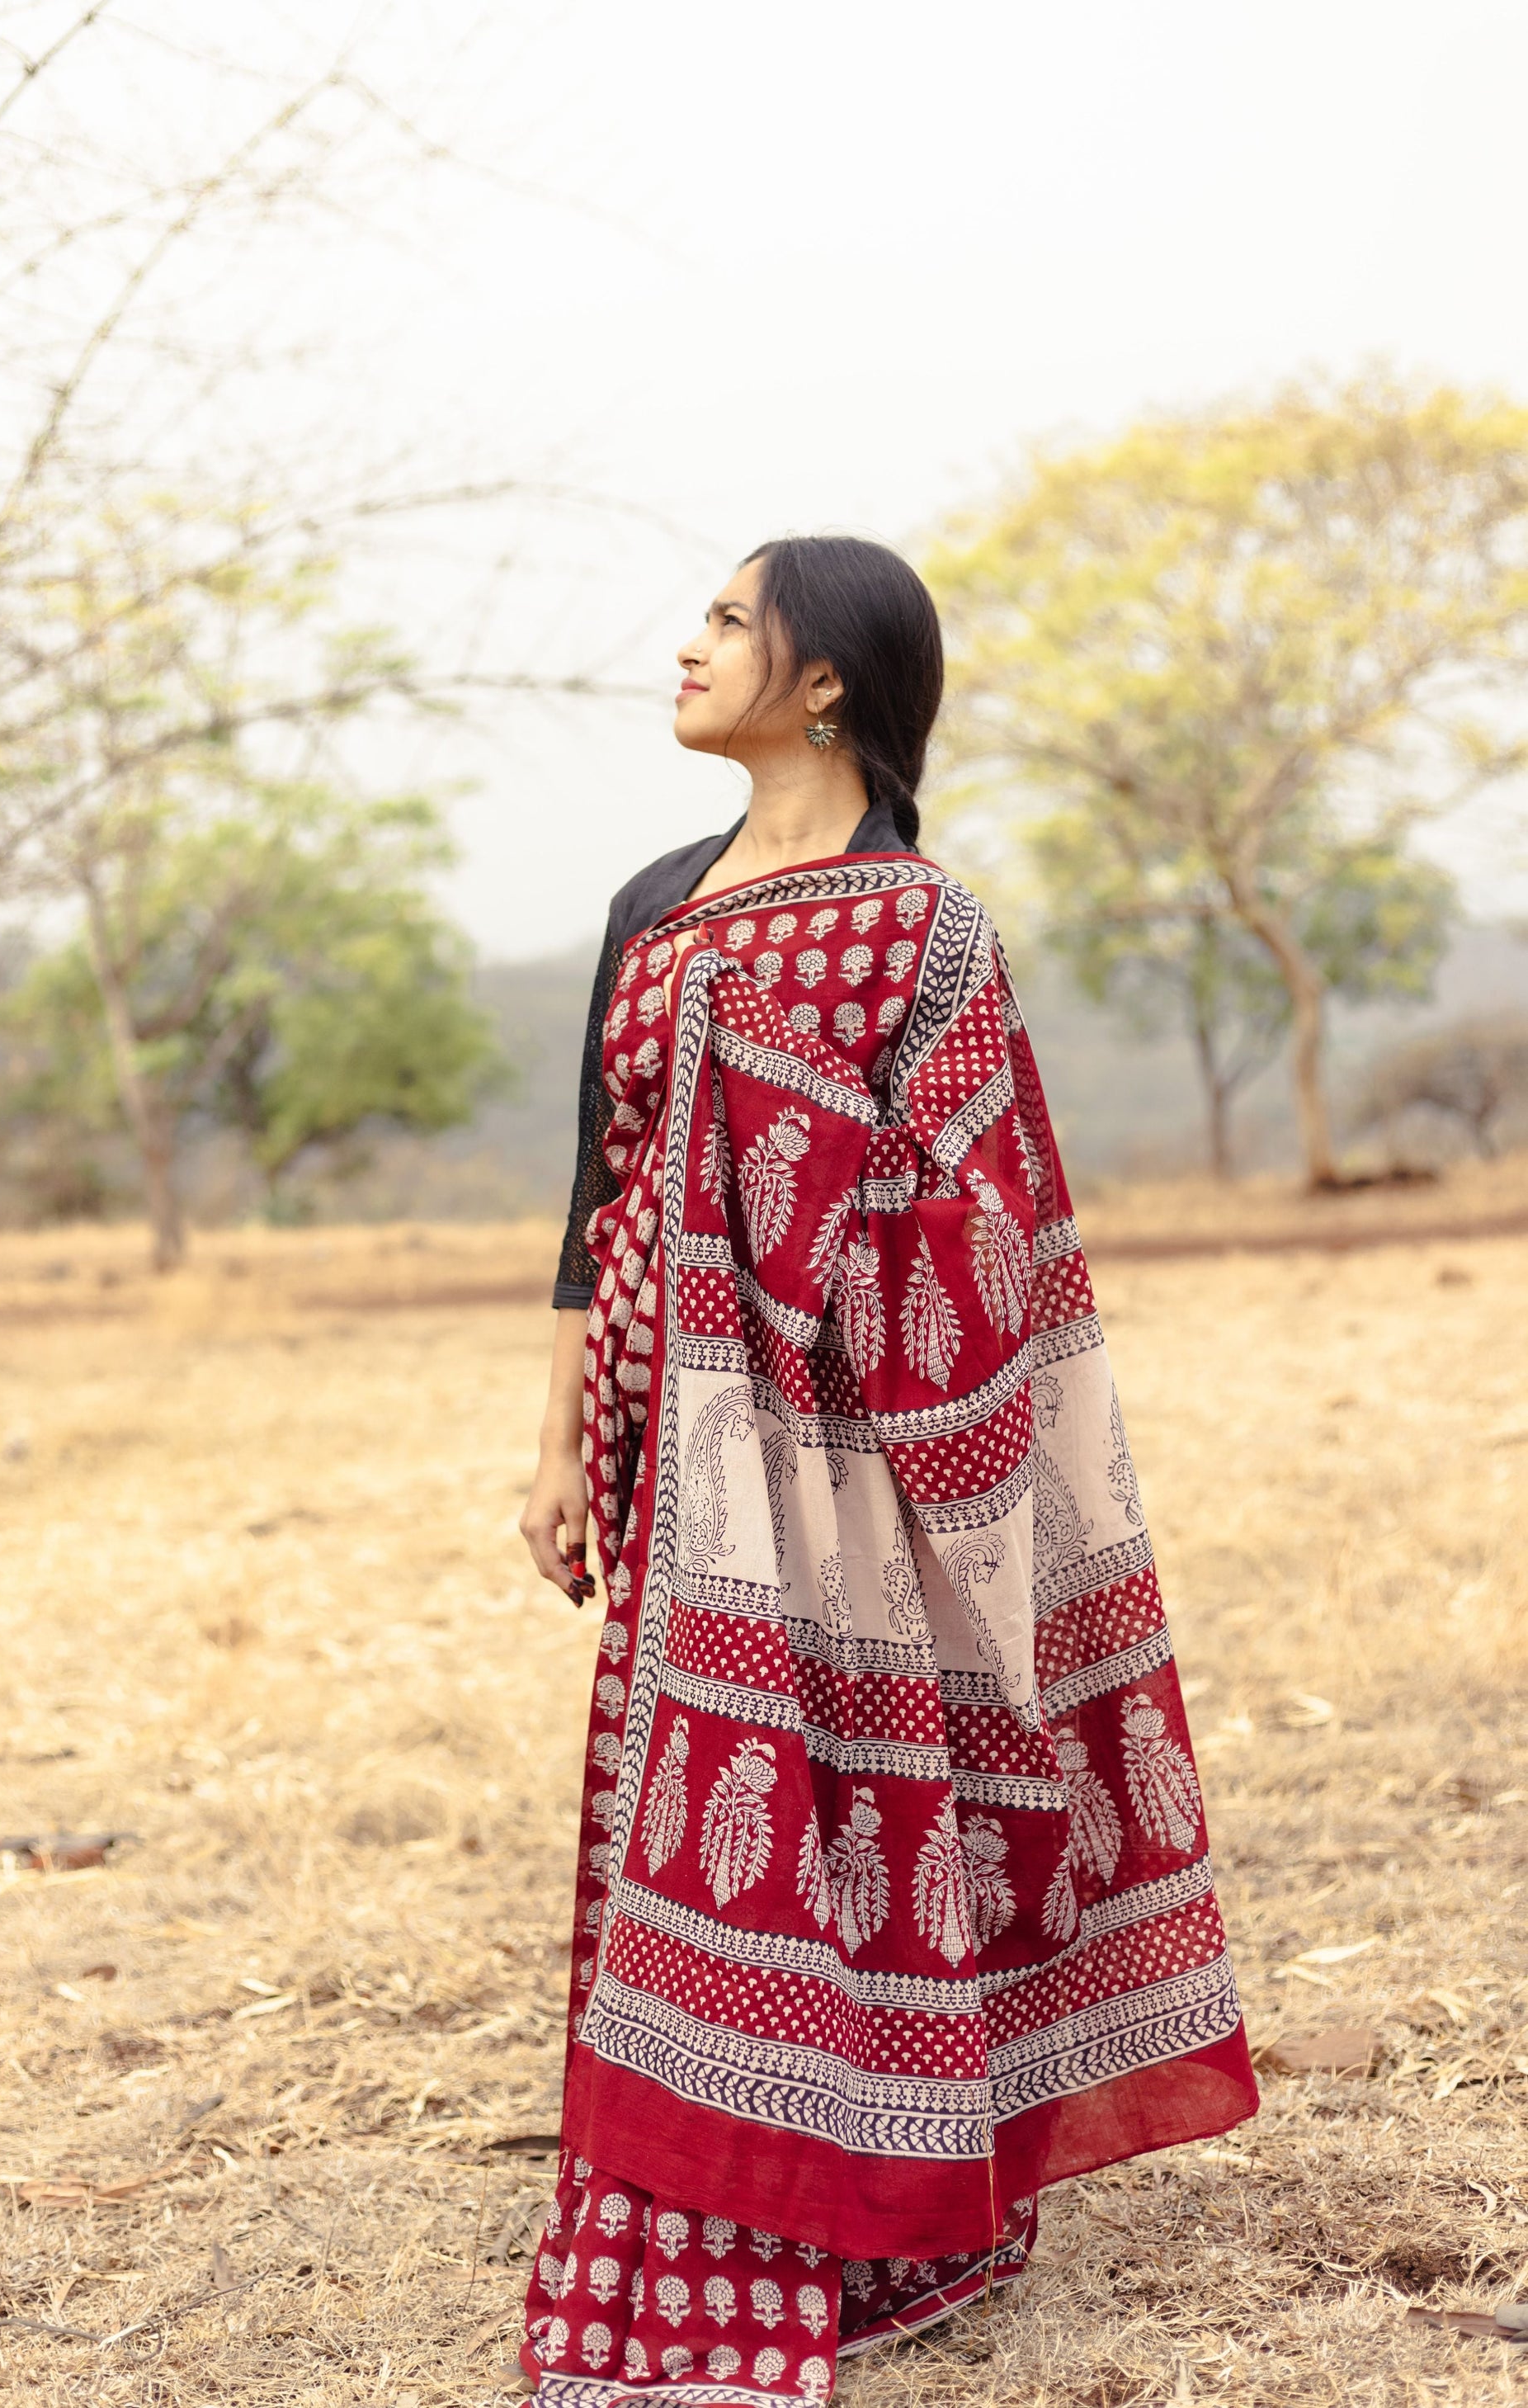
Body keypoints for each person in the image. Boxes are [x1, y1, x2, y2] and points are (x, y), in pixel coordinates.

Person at [517, 536, 1257, 2405]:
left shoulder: (923, 928)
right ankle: (707, 2180)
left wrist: (830, 1239)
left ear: (826, 680)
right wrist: (558, 1442)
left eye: (723, 620)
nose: (681, 645)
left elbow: (982, 1207)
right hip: (682, 1434)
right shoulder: (655, 901)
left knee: (865, 1794)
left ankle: (874, 2183)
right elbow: (602, 1205)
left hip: (863, 1452)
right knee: (703, 1804)